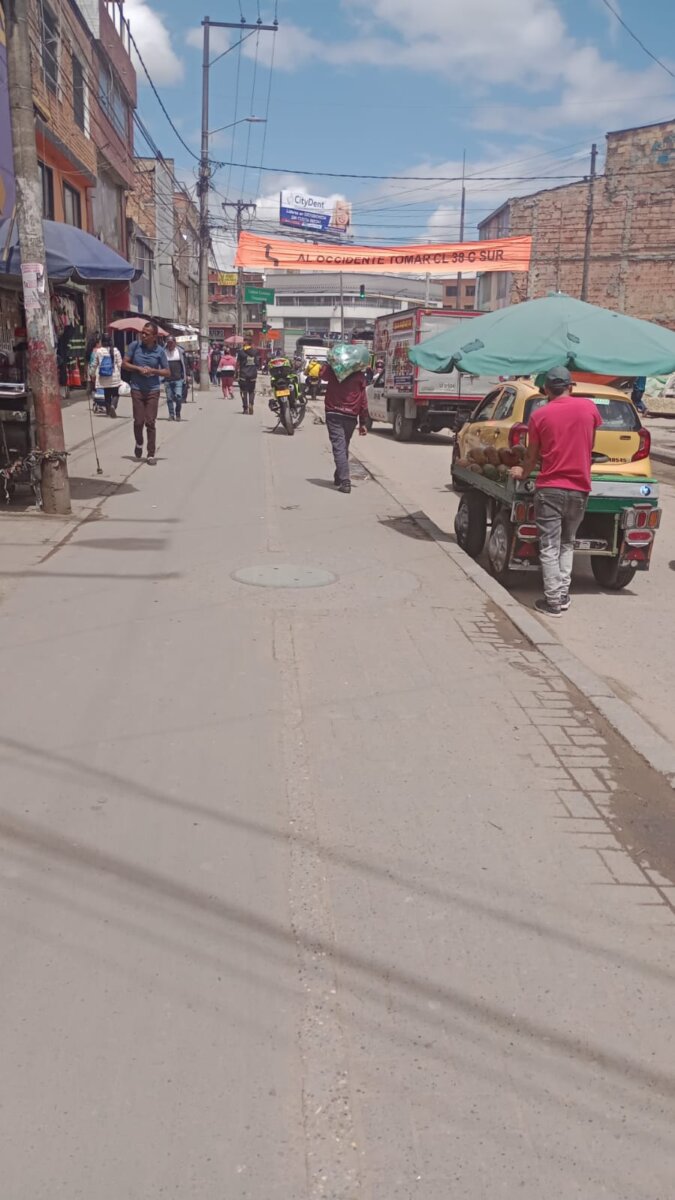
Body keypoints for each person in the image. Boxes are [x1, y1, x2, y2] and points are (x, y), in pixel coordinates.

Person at [510, 365, 601, 618]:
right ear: (571, 386)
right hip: (580, 487)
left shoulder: (539, 416)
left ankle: (553, 602)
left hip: (550, 488)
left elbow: (531, 456)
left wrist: (522, 473)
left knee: (549, 546)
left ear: (547, 390)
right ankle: (562, 594)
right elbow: (589, 442)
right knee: (567, 544)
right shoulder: (589, 409)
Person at [122, 321, 170, 465]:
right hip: (137, 388)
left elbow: (167, 372)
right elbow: (124, 364)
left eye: (146, 334)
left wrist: (153, 371)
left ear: (154, 337)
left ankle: (150, 454)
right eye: (142, 332)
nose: (143, 335)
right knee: (138, 421)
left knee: (150, 422)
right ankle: (139, 443)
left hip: (153, 390)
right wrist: (138, 369)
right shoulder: (134, 346)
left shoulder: (160, 351)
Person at [321, 360, 369, 494]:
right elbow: (363, 400)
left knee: (339, 447)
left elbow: (322, 375)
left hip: (334, 413)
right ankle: (339, 477)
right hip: (351, 416)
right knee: (342, 446)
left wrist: (328, 363)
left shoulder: (334, 370)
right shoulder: (359, 375)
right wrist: (363, 422)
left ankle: (345, 481)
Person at [91, 334, 123, 417]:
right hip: (114, 376)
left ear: (102, 341)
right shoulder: (115, 350)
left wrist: (92, 374)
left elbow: (94, 364)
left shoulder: (99, 351)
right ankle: (113, 406)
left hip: (103, 376)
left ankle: (108, 411)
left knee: (107, 394)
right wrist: (119, 374)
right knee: (115, 394)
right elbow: (120, 364)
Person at [164, 336, 187, 421]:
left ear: (175, 343)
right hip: (167, 379)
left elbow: (185, 364)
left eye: (171, 343)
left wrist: (186, 375)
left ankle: (178, 414)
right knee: (169, 398)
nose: (170, 344)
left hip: (178, 379)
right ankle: (171, 414)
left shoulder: (180, 352)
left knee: (178, 397)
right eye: (168, 342)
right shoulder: (163, 352)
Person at [237, 342, 258, 414]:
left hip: (243, 375)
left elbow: (238, 364)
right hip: (253, 375)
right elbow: (257, 364)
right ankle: (251, 404)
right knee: (251, 391)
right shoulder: (255, 352)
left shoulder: (241, 352)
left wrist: (236, 374)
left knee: (243, 391)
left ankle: (245, 408)